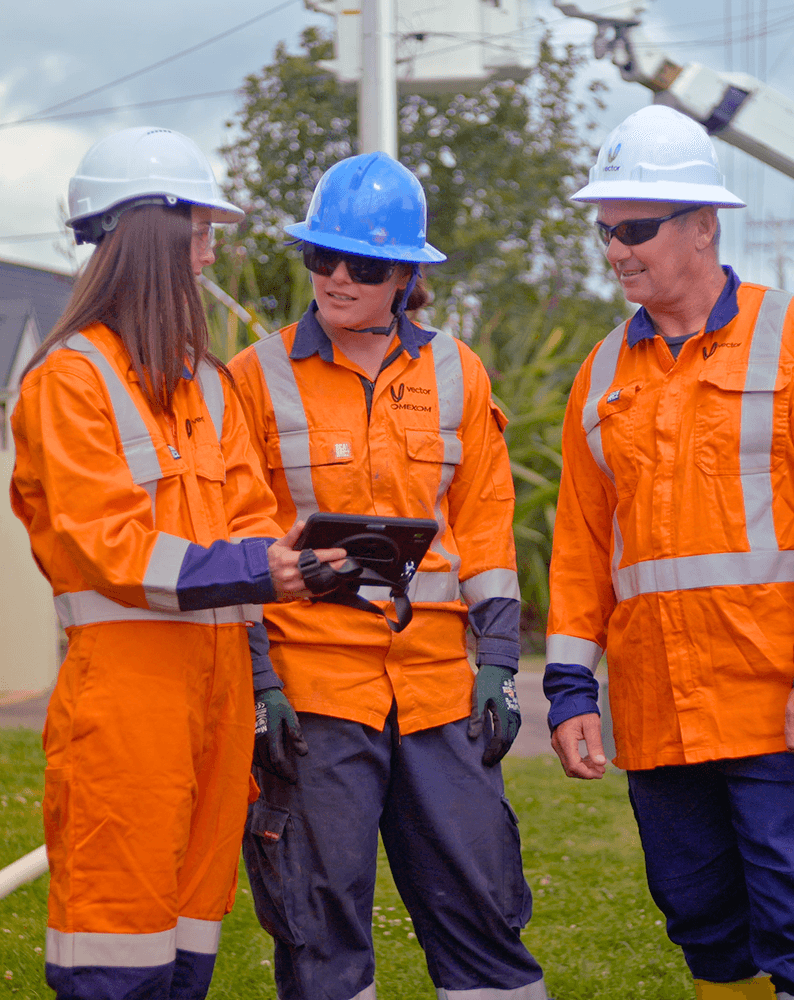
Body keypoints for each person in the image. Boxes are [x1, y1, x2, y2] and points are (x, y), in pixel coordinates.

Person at [9, 125, 342, 1000]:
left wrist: (300, 563)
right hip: (126, 706)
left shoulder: (207, 381)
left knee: (188, 950)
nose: (208, 254)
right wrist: (256, 566)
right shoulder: (67, 382)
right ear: (152, 233)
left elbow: (252, 520)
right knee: (116, 959)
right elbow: (105, 541)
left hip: (218, 698)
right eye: (199, 232)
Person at [229, 150, 549, 1000]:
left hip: (443, 687)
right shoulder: (253, 379)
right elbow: (235, 536)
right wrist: (260, 680)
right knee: (320, 920)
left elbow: (485, 524)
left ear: (406, 274)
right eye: (319, 258)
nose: (335, 278)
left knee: (481, 905)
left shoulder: (458, 372)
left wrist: (496, 665)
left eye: (361, 264)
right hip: (315, 690)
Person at [544, 103, 794, 1000]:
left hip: (774, 705)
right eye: (605, 229)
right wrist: (571, 686)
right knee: (702, 924)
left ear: (702, 226)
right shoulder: (601, 375)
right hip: (659, 713)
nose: (615, 248)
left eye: (636, 228)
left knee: (793, 920)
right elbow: (580, 544)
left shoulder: (787, 340)